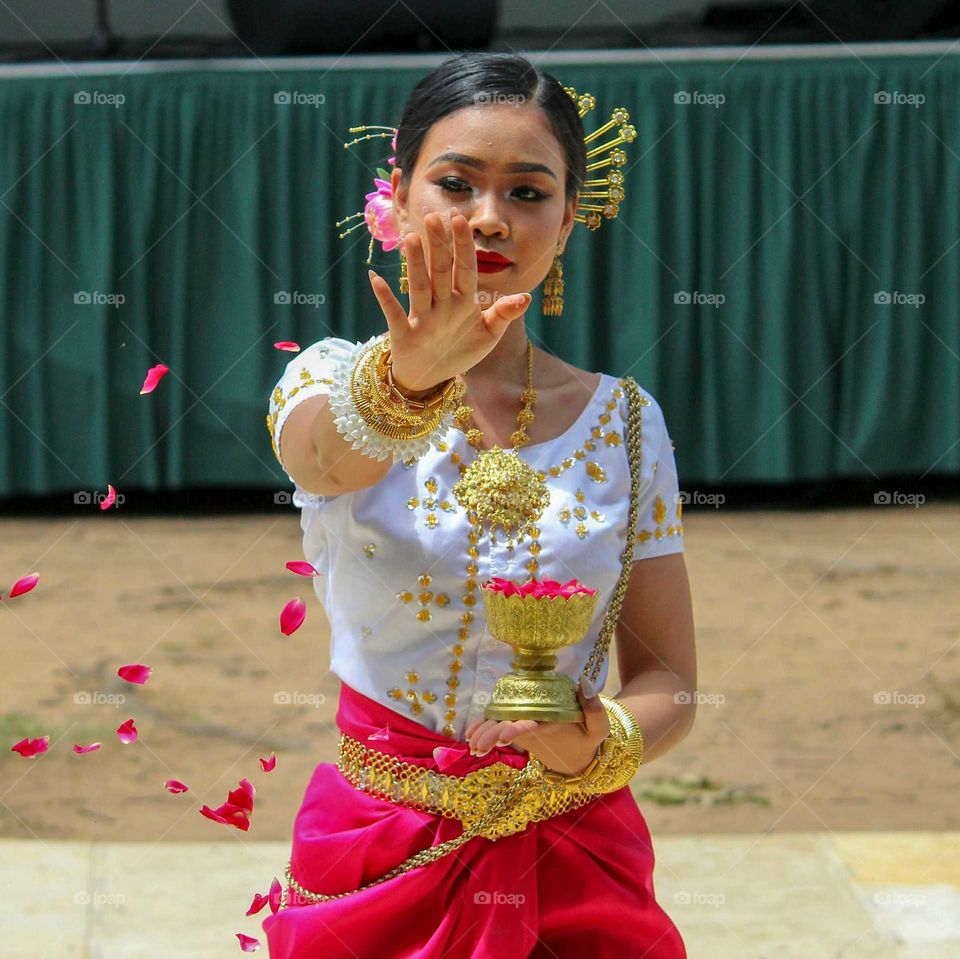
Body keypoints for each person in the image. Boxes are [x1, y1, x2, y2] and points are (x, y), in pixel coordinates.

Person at [262, 52, 696, 959]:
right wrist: (415, 372)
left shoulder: (624, 422)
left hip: (574, 852)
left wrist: (592, 741)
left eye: (529, 193)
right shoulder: (326, 381)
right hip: (378, 848)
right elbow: (325, 457)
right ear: (396, 199)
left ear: (570, 218)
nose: (490, 218)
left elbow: (669, 681)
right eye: (455, 183)